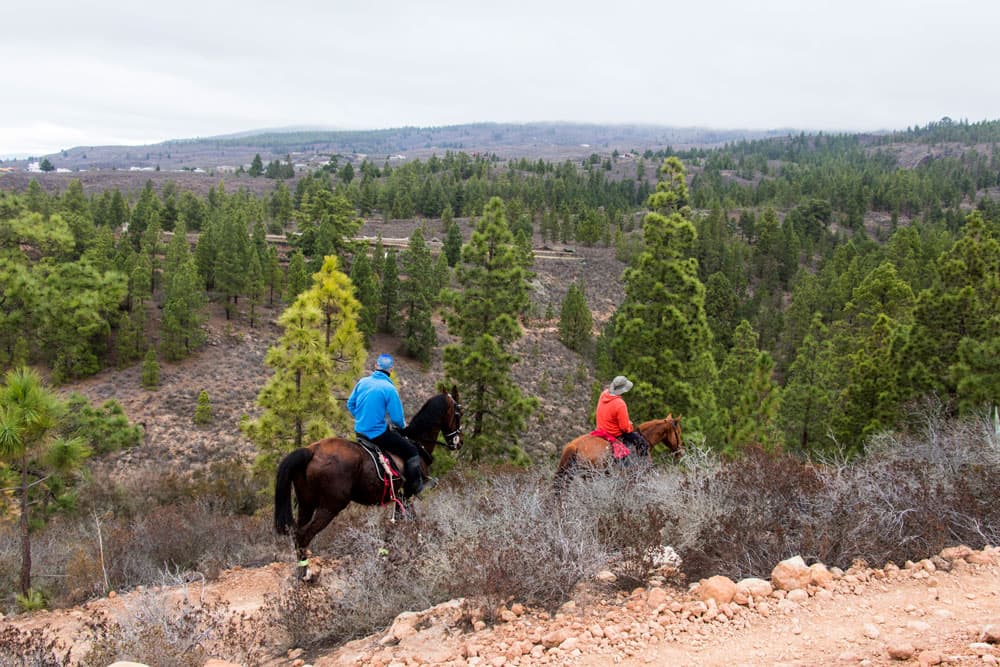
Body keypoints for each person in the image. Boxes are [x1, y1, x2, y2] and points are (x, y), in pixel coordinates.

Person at [346, 353, 425, 497]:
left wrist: (362, 417)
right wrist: (404, 427)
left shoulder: (363, 382)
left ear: (376, 366)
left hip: (360, 432)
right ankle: (416, 486)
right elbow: (397, 419)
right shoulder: (390, 389)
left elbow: (350, 403)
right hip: (377, 435)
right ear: (391, 369)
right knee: (412, 451)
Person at [594, 375, 648, 458]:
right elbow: (624, 428)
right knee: (642, 443)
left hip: (600, 429)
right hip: (613, 433)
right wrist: (630, 425)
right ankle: (641, 467)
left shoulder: (603, 394)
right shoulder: (620, 404)